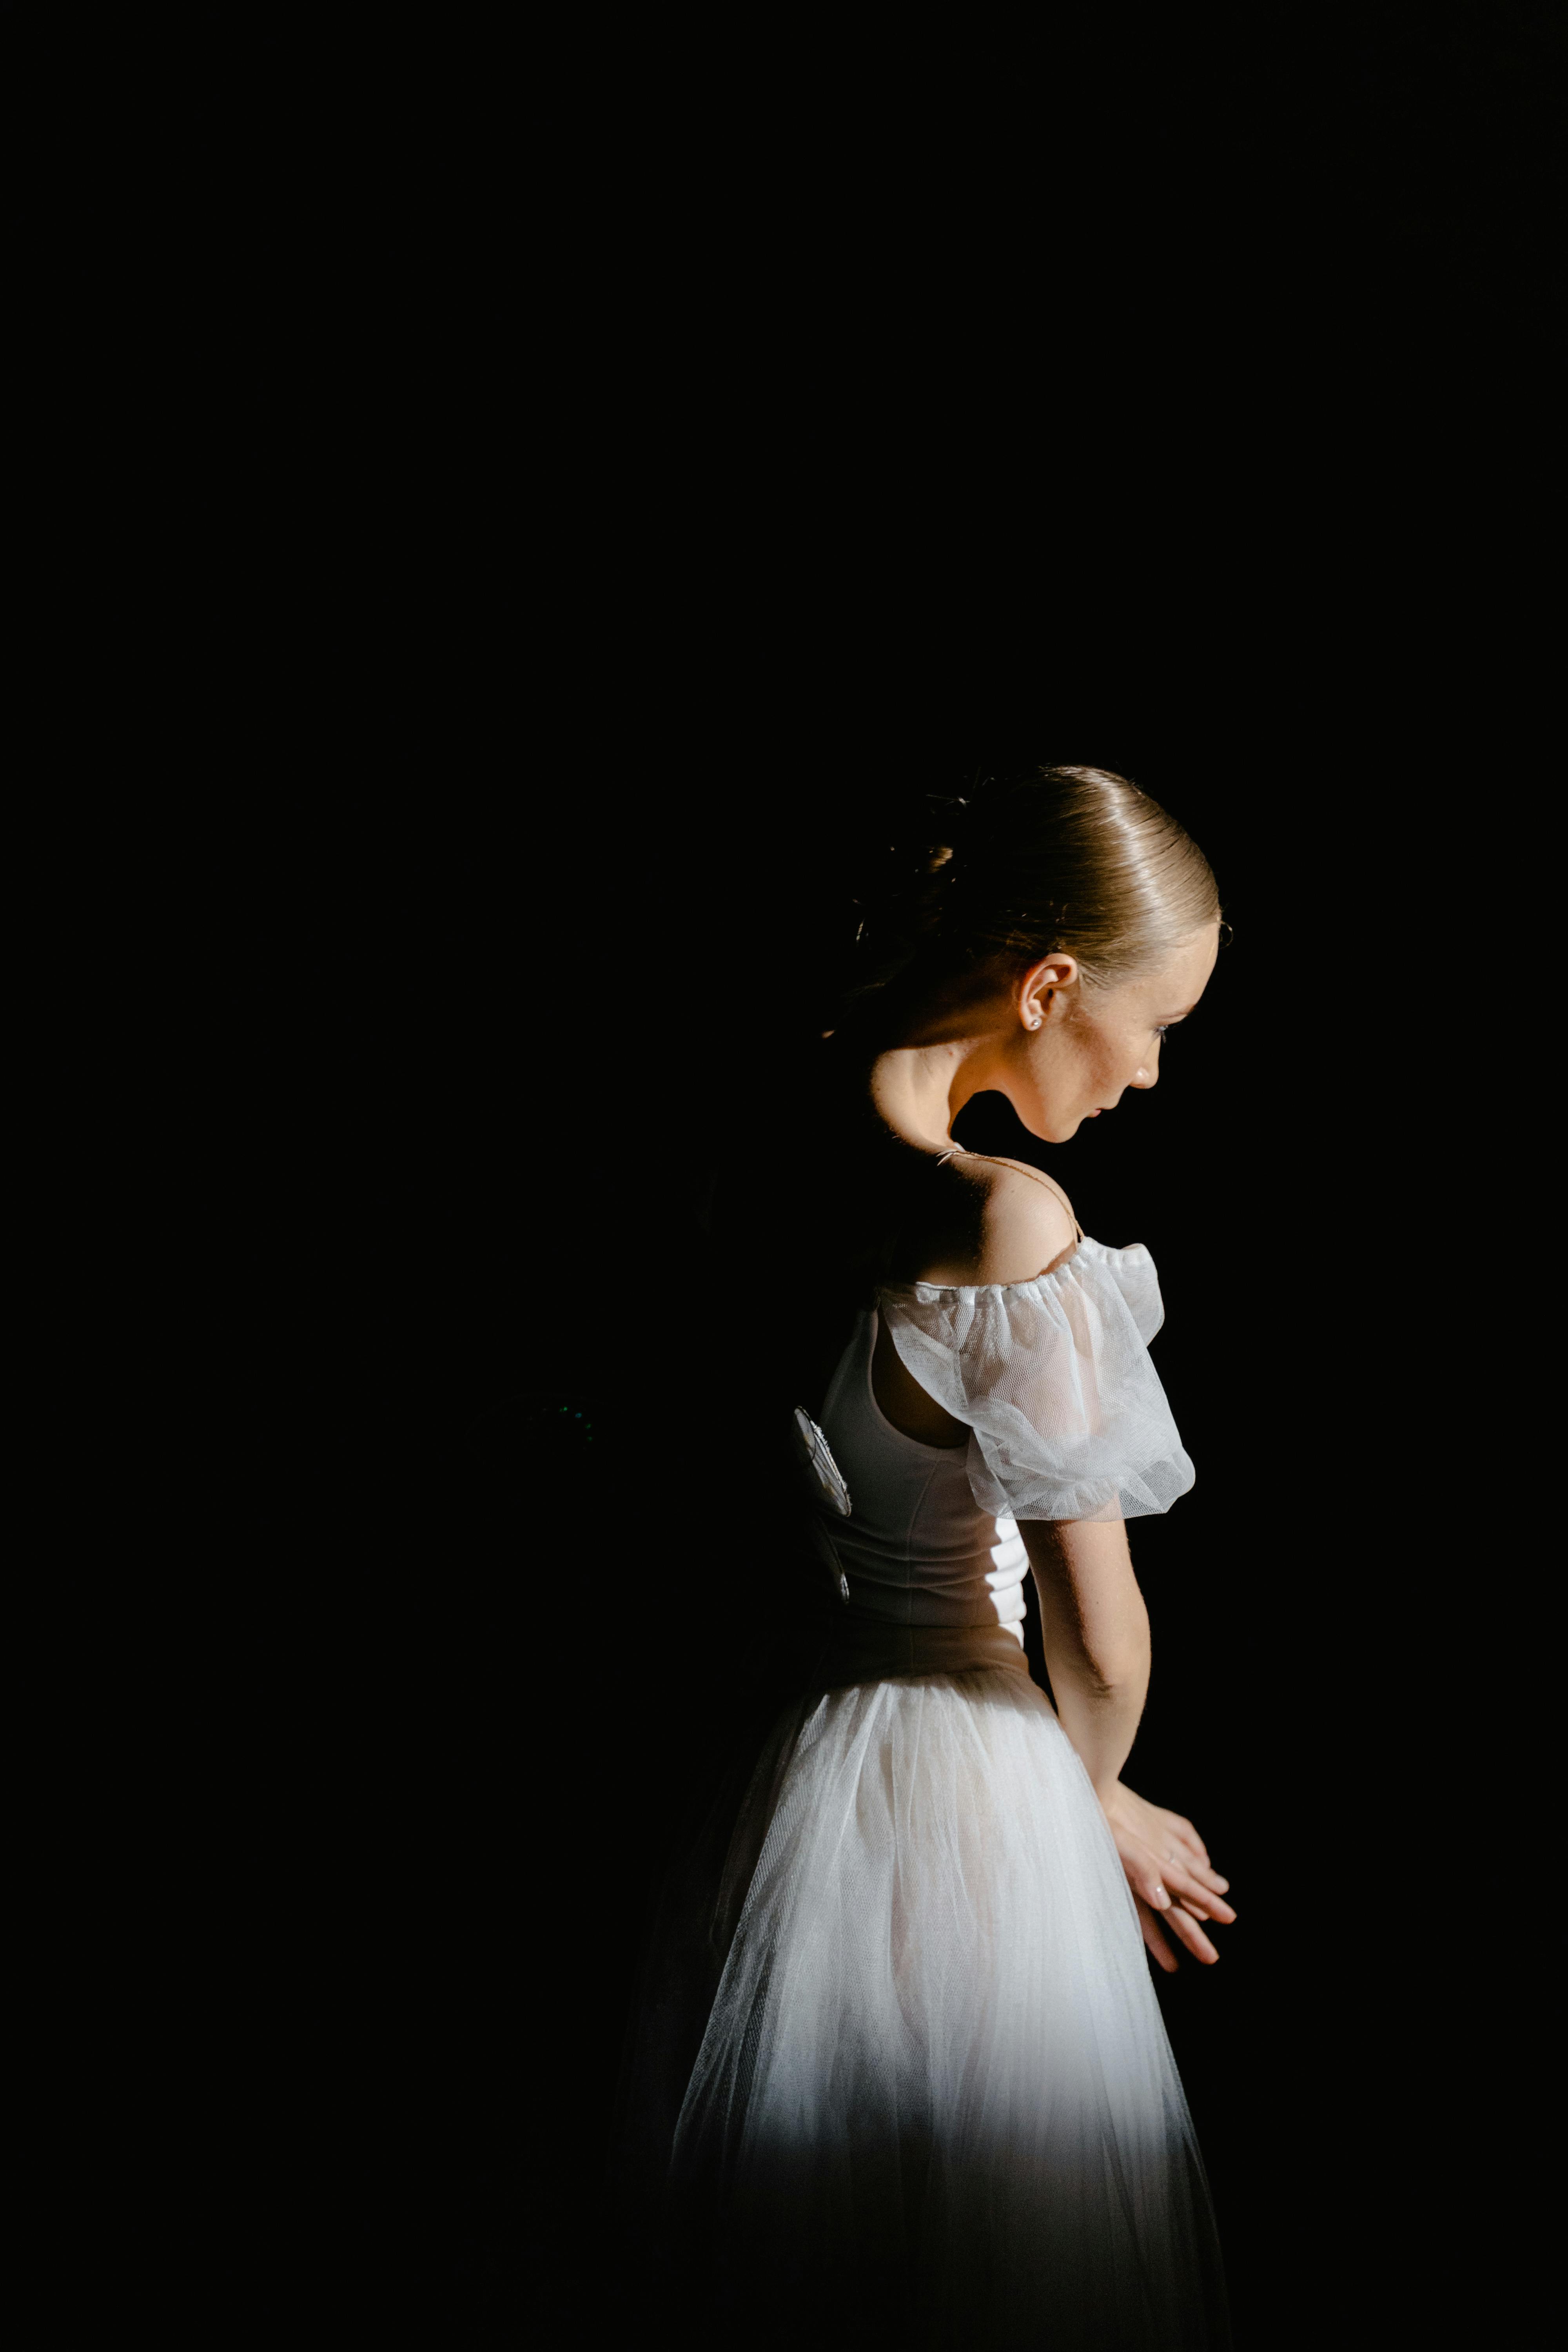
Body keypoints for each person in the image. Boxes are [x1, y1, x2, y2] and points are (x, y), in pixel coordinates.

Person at [621, 767, 1236, 2350]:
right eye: (1153, 1025)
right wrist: (1091, 1794)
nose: (1152, 1075)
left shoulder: (754, 1150)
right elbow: (1101, 1645)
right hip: (966, 1797)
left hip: (778, 1776)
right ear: (1048, 988)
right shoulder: (1007, 1224)